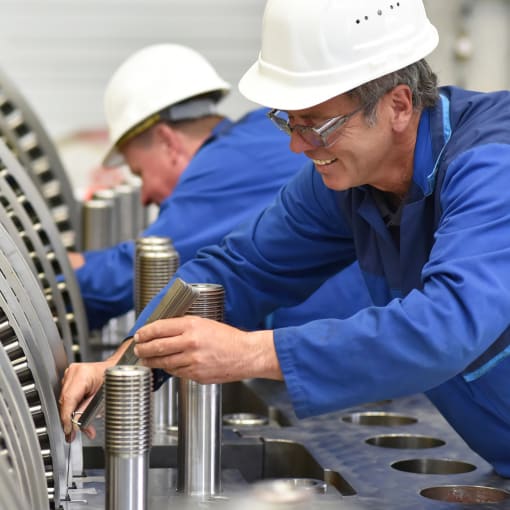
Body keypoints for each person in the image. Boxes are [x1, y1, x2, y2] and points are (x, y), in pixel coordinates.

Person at [60, 0, 510, 477]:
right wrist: (126, 362)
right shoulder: (348, 182)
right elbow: (242, 267)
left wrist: (251, 352)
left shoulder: (492, 165)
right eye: (289, 122)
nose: (298, 145)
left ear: (398, 105)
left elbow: (446, 326)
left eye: (317, 124)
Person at [70, 43, 370, 332]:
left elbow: (132, 272)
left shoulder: (225, 164)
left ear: (167, 142)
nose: (145, 195)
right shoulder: (256, 134)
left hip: (351, 364)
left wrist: (54, 276)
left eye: (140, 172)